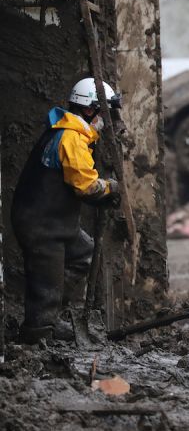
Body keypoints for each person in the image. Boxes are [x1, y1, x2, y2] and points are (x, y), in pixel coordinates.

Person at [12, 77, 121, 344]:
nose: (108, 119)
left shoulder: (70, 131)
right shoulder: (71, 138)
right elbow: (85, 187)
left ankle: (52, 317)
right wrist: (111, 188)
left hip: (57, 223)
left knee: (82, 255)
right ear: (89, 110)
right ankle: (38, 332)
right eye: (105, 111)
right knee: (46, 282)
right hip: (42, 225)